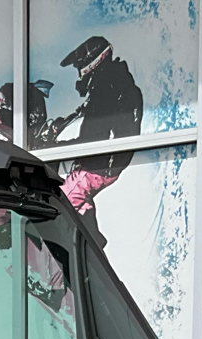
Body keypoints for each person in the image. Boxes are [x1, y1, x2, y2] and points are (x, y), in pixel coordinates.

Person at [45, 36, 144, 216]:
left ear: (92, 64)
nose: (79, 75)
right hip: (108, 164)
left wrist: (56, 148)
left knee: (55, 207)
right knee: (76, 206)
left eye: (79, 68)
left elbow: (92, 140)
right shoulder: (118, 83)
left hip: (99, 166)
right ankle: (90, 235)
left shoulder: (106, 91)